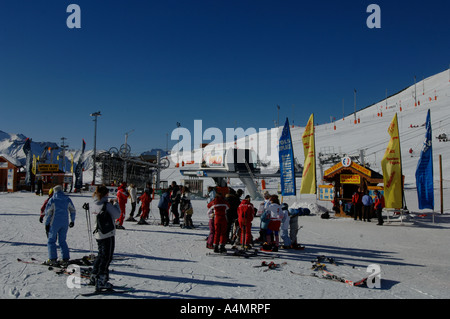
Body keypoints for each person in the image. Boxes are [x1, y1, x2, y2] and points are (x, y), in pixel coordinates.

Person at [90, 185, 121, 290]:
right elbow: (117, 215)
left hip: (98, 232)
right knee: (107, 256)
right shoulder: (106, 204)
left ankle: (94, 275)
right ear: (105, 194)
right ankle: (102, 279)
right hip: (107, 233)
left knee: (101, 254)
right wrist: (116, 204)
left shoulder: (94, 203)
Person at [44, 185, 76, 266]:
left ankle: (52, 258)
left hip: (54, 223)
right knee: (62, 241)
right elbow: (73, 210)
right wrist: (72, 220)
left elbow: (48, 213)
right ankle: (65, 258)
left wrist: (47, 223)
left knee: (51, 240)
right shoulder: (67, 199)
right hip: (64, 223)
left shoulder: (53, 200)